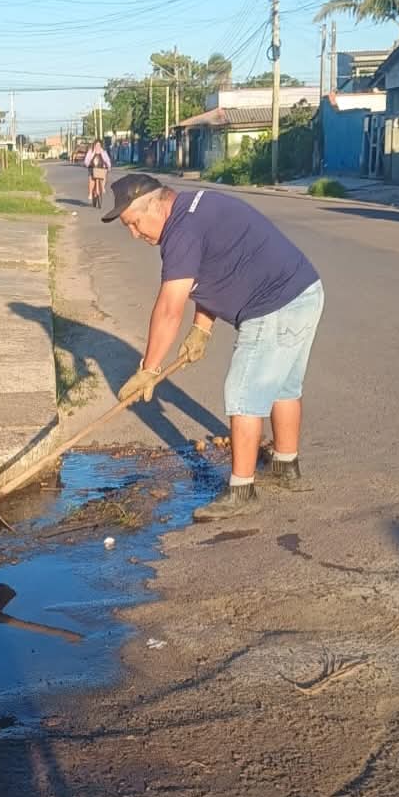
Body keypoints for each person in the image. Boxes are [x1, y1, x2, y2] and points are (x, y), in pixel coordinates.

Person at [102, 174, 324, 521]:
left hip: (274, 305)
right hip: (304, 291)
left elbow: (169, 307)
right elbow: (215, 273)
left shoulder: (182, 232)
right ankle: (286, 468)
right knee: (283, 387)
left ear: (156, 206)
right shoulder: (192, 211)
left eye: (134, 223)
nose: (134, 234)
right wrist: (200, 330)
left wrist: (149, 369)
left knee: (242, 393)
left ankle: (241, 492)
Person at [83, 140, 111, 204]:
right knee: (91, 179)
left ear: (101, 146)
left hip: (101, 167)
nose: (97, 146)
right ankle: (90, 194)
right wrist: (87, 164)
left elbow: (107, 160)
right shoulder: (91, 151)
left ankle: (102, 187)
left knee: (104, 175)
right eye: (96, 145)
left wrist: (109, 166)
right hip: (92, 167)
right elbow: (86, 160)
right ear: (94, 145)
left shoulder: (103, 152)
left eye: (99, 145)